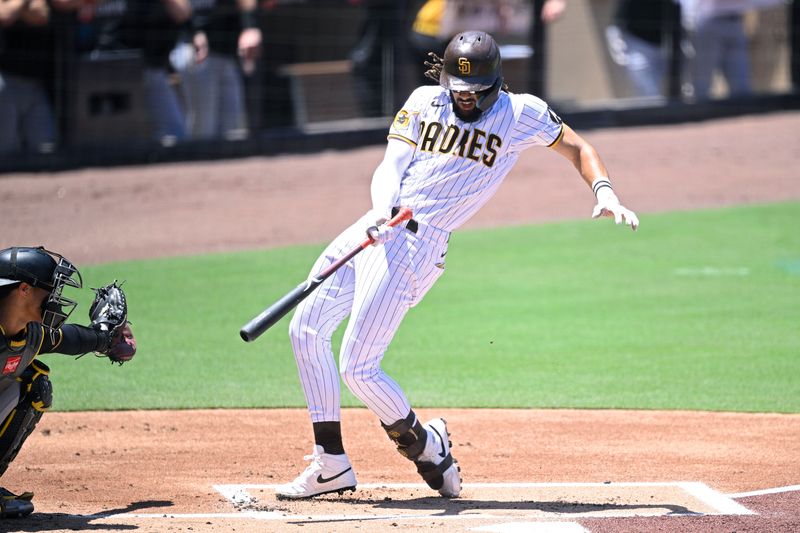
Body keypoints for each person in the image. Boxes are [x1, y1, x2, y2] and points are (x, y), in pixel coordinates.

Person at [274, 30, 638, 500]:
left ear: (493, 85)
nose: (463, 99)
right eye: (457, 90)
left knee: (359, 369)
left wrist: (603, 191)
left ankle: (426, 446)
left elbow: (578, 148)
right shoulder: (426, 99)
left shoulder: (519, 113)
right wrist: (383, 211)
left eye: (473, 93)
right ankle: (331, 464)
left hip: (417, 250)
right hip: (378, 226)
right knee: (305, 327)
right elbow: (391, 164)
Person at [0, 246, 136, 518]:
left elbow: (68, 338)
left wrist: (104, 336)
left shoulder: (30, 333)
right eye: (50, 290)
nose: (55, 299)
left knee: (34, 384)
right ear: (24, 290)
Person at [179, 0, 261, 140]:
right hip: (197, 53)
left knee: (229, 125)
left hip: (228, 54)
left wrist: (250, 26)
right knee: (204, 130)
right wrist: (193, 31)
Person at [0, 0, 57, 156]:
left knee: (45, 148)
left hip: (36, 83)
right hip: (4, 83)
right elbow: (5, 15)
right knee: (5, 153)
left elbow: (41, 15)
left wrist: (16, 8)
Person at [605, 0, 681, 97]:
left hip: (663, 46)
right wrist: (615, 37)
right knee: (648, 90)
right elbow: (619, 18)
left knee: (666, 89)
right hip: (637, 43)